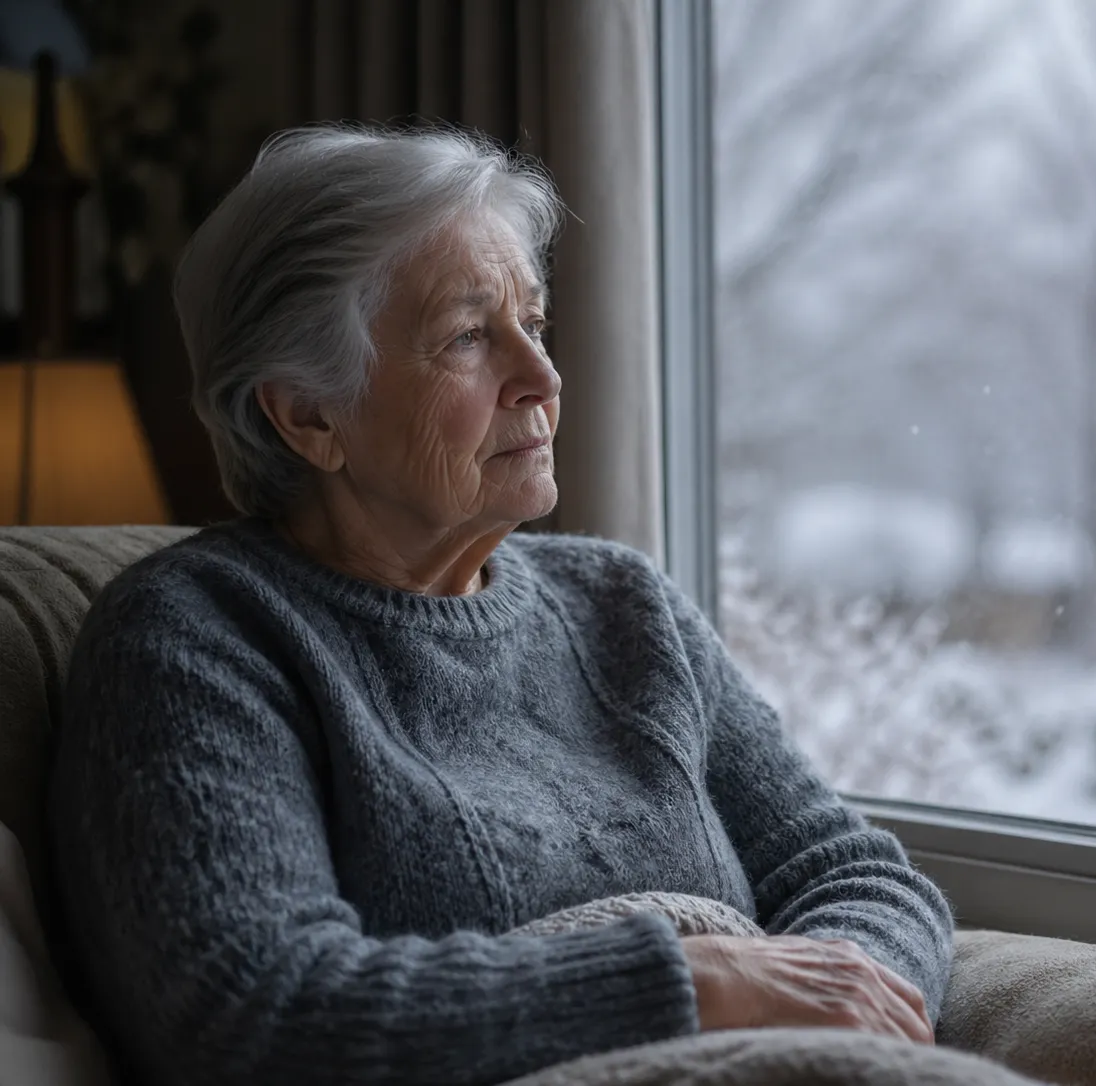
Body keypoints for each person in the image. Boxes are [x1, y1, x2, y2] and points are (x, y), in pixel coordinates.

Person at [47, 125, 953, 1086]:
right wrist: (702, 979)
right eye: (470, 336)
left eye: (536, 322)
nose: (544, 379)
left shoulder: (623, 605)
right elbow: (258, 1011)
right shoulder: (197, 640)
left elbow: (859, 877)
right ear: (309, 414)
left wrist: (840, 1011)